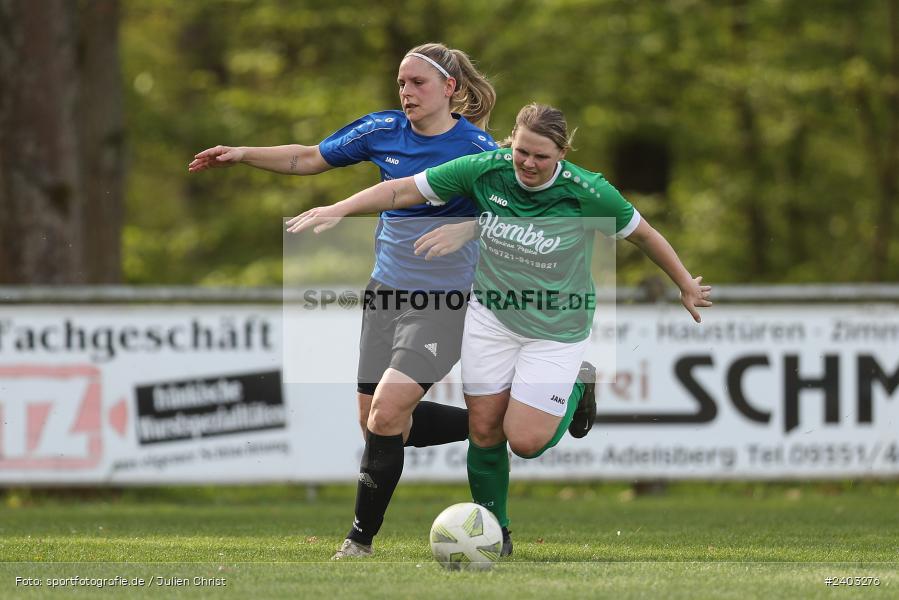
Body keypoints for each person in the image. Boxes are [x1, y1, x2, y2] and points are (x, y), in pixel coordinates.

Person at [286, 102, 713, 536]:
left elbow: (643, 234)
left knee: (525, 441)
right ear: (512, 142)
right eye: (521, 151)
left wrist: (684, 284)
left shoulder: (588, 191)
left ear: (561, 154)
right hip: (490, 322)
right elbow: (401, 190)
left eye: (540, 156)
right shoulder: (486, 170)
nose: (528, 162)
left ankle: (578, 386)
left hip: (556, 330)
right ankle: (495, 531)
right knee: (484, 429)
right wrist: (338, 207)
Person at [189, 43, 510, 560]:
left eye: (417, 83)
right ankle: (499, 418)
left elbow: (509, 212)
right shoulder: (381, 130)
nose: (405, 91)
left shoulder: (476, 147)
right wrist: (243, 154)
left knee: (385, 416)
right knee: (380, 423)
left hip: (445, 300)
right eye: (400, 82)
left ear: (450, 88)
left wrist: (466, 228)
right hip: (385, 293)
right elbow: (308, 158)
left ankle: (358, 544)